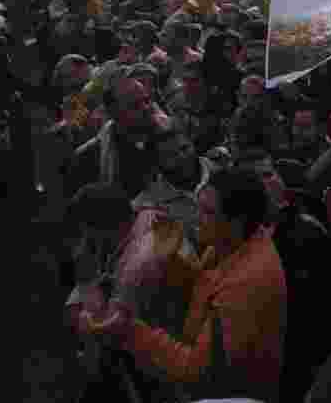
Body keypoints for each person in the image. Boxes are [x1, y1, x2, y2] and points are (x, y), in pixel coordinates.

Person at [87, 167, 287, 402]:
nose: (196, 218)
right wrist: (171, 262)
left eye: (207, 212)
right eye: (198, 206)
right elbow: (206, 290)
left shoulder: (247, 283)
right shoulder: (230, 243)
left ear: (237, 221)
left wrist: (130, 330)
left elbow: (195, 370)